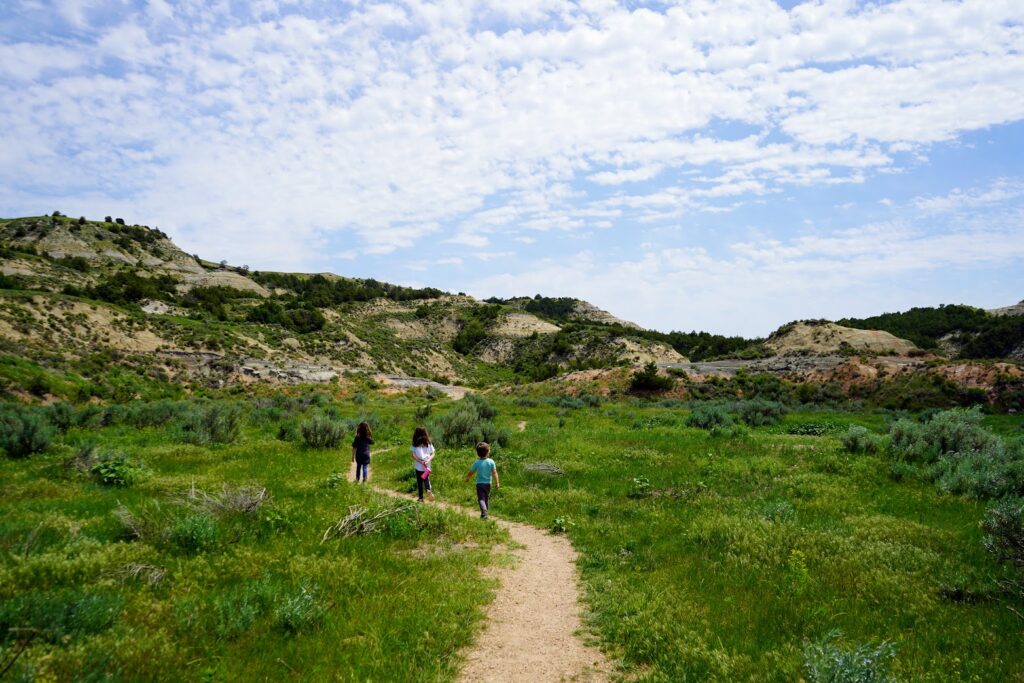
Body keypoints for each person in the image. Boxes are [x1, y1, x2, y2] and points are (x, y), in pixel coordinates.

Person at [464, 441, 499, 519]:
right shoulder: (491, 462)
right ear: (488, 452)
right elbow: (494, 473)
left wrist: (467, 478)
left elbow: (471, 472)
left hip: (479, 484)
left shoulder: (477, 462)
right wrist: (497, 482)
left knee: (481, 499)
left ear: (477, 453)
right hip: (488, 484)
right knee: (486, 498)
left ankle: (484, 512)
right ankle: (485, 514)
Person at [411, 426, 435, 501]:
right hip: (427, 465)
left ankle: (421, 498)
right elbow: (433, 453)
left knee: (419, 481)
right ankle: (428, 489)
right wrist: (428, 460)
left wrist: (420, 461)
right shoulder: (428, 443)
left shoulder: (415, 444)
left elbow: (413, 455)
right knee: (426, 478)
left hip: (419, 466)